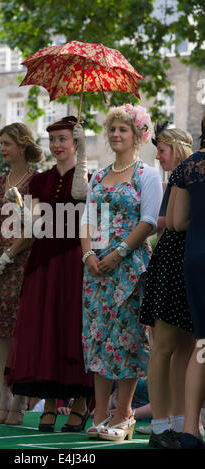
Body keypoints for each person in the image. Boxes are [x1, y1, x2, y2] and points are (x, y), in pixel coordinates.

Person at [5, 116, 94, 433]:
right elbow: (37, 226)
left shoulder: (88, 175)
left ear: (76, 141)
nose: (57, 145)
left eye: (64, 139)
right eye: (53, 139)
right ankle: (53, 405)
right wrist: (20, 208)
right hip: (43, 262)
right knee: (47, 331)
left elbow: (85, 204)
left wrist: (82, 154)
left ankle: (82, 403)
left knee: (73, 330)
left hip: (74, 262)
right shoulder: (41, 180)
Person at [81, 104, 162, 442]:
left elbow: (150, 221)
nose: (116, 134)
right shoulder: (98, 176)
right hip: (96, 269)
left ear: (138, 136)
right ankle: (99, 414)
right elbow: (87, 219)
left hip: (129, 268)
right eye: (112, 129)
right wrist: (88, 254)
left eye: (123, 130)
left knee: (126, 341)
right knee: (99, 338)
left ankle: (124, 414)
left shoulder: (147, 174)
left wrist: (120, 252)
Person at [0, 122, 43, 425]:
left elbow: (35, 228)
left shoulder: (37, 182)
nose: (3, 148)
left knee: (23, 333)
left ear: (21, 145)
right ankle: (4, 400)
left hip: (25, 263)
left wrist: (8, 254)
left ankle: (19, 400)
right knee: (1, 334)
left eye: (7, 143)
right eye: (1, 142)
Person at [139, 125, 195, 449]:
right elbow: (174, 224)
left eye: (161, 150)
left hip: (177, 264)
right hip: (174, 263)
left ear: (176, 147)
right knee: (165, 347)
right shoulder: (180, 176)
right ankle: (161, 425)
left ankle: (172, 423)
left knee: (183, 350)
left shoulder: (183, 173)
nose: (158, 157)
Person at [172, 113, 205, 449]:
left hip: (196, 257)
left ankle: (191, 431)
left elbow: (178, 222)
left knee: (202, 344)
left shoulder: (190, 166)